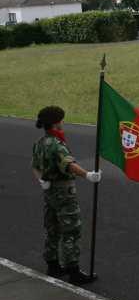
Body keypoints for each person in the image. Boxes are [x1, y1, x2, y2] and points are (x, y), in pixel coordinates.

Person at [32, 105, 102, 284]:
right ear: (56, 123)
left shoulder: (40, 143)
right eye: (61, 119)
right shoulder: (57, 145)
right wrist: (87, 174)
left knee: (52, 229)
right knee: (71, 230)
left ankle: (53, 265)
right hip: (64, 192)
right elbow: (69, 164)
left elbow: (35, 166)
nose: (63, 122)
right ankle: (73, 271)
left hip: (49, 192)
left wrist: (42, 180)